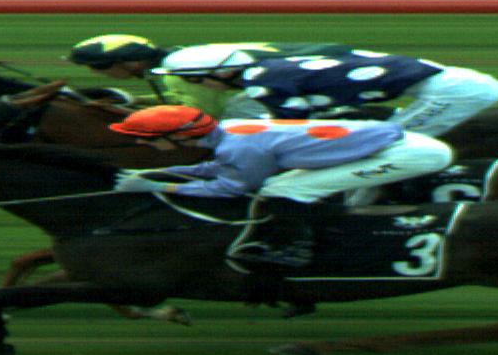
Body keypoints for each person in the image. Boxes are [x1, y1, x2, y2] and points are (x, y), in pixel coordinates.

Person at [107, 105, 453, 269]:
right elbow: (221, 168)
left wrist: (159, 188)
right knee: (280, 185)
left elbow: (229, 188)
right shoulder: (230, 129)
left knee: (284, 190)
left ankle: (296, 249)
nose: (142, 144)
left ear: (181, 135)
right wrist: (164, 171)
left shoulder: (237, 146)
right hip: (395, 143)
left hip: (411, 155)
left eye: (147, 138)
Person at [142, 43, 498, 134]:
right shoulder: (271, 69)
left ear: (222, 72)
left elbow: (292, 128)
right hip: (455, 83)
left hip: (452, 92)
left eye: (196, 79)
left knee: (384, 145)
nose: (202, 86)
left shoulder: (262, 81)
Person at [64, 35, 358, 111]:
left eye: (99, 66)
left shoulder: (178, 71)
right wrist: (135, 102)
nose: (96, 73)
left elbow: (201, 116)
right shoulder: (180, 59)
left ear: (130, 63)